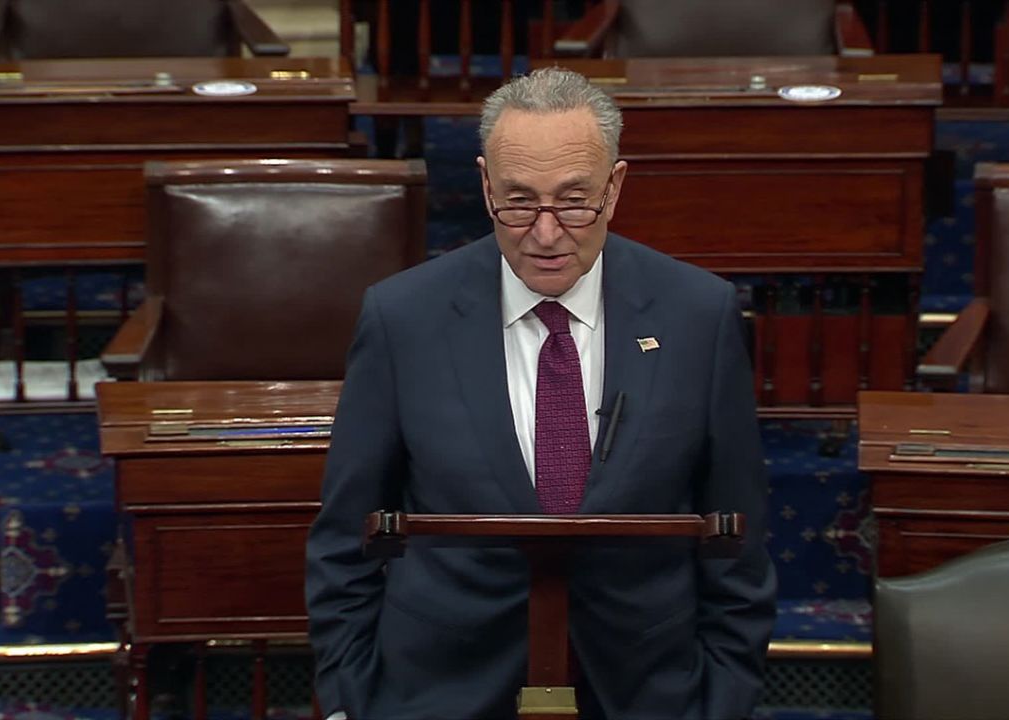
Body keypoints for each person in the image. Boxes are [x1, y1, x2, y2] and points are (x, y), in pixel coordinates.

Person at [306, 66, 776, 720]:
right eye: (519, 201)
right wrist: (349, 701)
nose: (546, 233)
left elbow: (737, 542)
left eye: (574, 200)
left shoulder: (698, 315)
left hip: (647, 689)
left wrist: (723, 700)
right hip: (441, 688)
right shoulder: (402, 318)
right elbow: (346, 538)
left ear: (615, 188)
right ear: (483, 184)